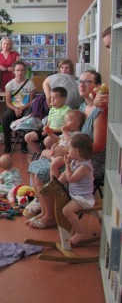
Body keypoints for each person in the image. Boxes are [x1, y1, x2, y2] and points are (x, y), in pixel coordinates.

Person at [27, 69, 107, 229]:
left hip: (87, 162)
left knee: (41, 171)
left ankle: (51, 216)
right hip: (74, 156)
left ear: (98, 86)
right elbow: (73, 135)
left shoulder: (100, 113)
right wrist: (61, 144)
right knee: (35, 167)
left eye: (87, 82)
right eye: (80, 81)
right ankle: (46, 210)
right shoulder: (83, 107)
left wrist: (68, 151)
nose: (82, 84)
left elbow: (98, 146)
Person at [57, 134, 95, 246]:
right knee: (61, 206)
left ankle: (80, 232)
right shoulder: (75, 161)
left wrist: (67, 165)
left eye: (69, 148)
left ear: (77, 151)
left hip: (84, 198)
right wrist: (56, 184)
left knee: (66, 210)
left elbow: (71, 179)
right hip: (75, 195)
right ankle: (72, 230)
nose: (67, 151)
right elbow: (65, 175)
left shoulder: (85, 166)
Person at [2, 61, 35, 153]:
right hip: (13, 108)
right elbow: (8, 102)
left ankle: (23, 146)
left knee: (28, 120)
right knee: (5, 119)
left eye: (22, 70)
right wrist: (16, 109)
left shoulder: (30, 84)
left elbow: (31, 101)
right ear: (14, 71)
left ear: (25, 71)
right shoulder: (9, 85)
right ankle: (7, 145)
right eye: (17, 70)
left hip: (26, 108)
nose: (20, 72)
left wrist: (22, 108)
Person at [24, 86, 70, 154]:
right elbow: (48, 123)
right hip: (49, 131)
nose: (52, 100)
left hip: (58, 133)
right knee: (27, 137)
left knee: (47, 141)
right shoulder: (52, 109)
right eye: (51, 98)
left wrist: (51, 131)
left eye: (55, 98)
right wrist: (45, 129)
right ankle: (40, 153)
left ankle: (49, 154)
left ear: (63, 99)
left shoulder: (67, 110)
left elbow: (67, 128)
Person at [46, 109, 86, 178]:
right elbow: (58, 139)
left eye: (68, 120)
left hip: (67, 156)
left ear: (77, 123)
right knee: (43, 153)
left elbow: (70, 142)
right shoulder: (68, 133)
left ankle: (54, 183)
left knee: (54, 165)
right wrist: (50, 133)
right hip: (57, 153)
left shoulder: (78, 135)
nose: (65, 123)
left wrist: (65, 132)